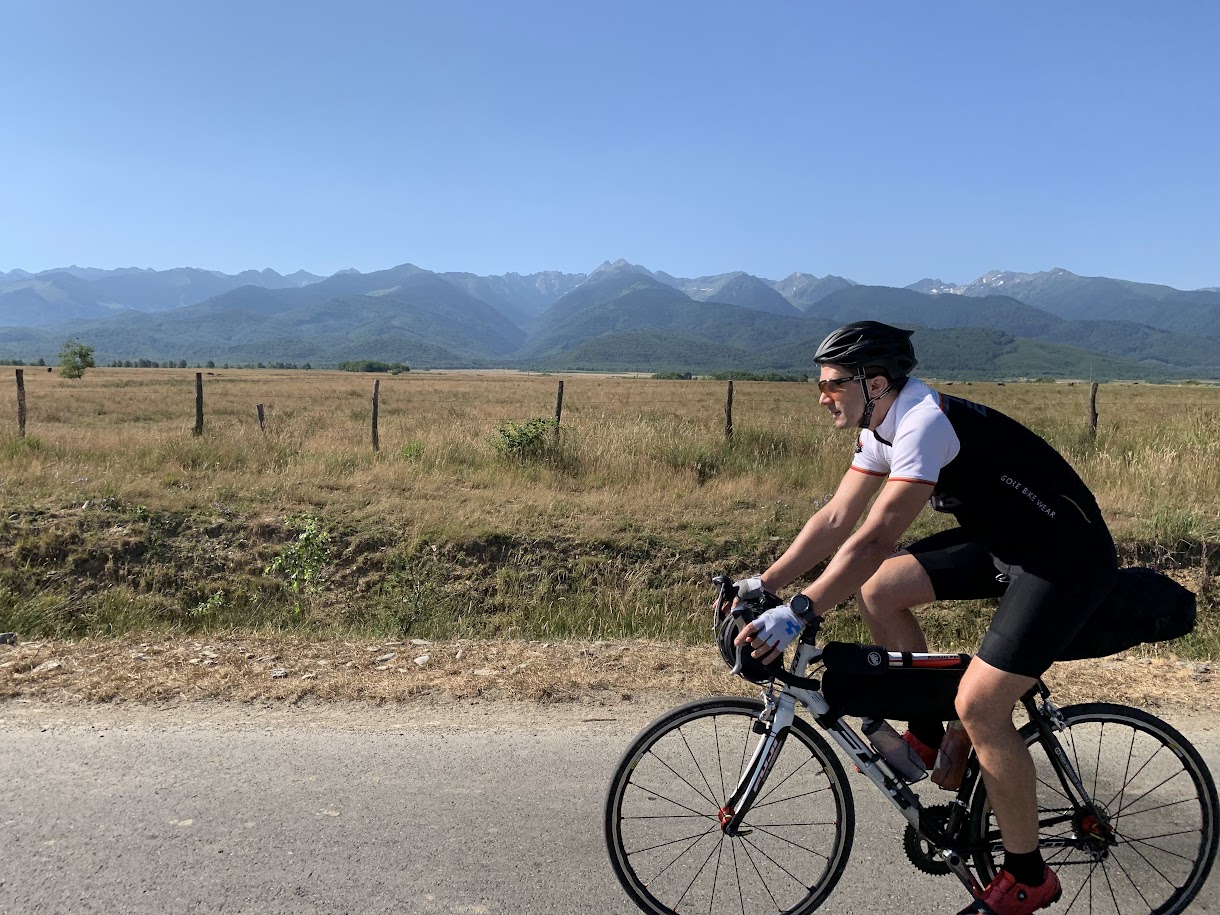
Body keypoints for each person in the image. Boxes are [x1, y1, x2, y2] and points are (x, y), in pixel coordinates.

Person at [734, 320, 1117, 915]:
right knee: (881, 589)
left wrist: (800, 611)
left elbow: (875, 536)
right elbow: (836, 518)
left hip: (1064, 556)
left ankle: (1027, 876)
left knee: (981, 705)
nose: (822, 396)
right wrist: (765, 584)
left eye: (832, 383)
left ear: (875, 383)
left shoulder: (922, 424)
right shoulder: (879, 428)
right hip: (1005, 542)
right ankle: (930, 735)